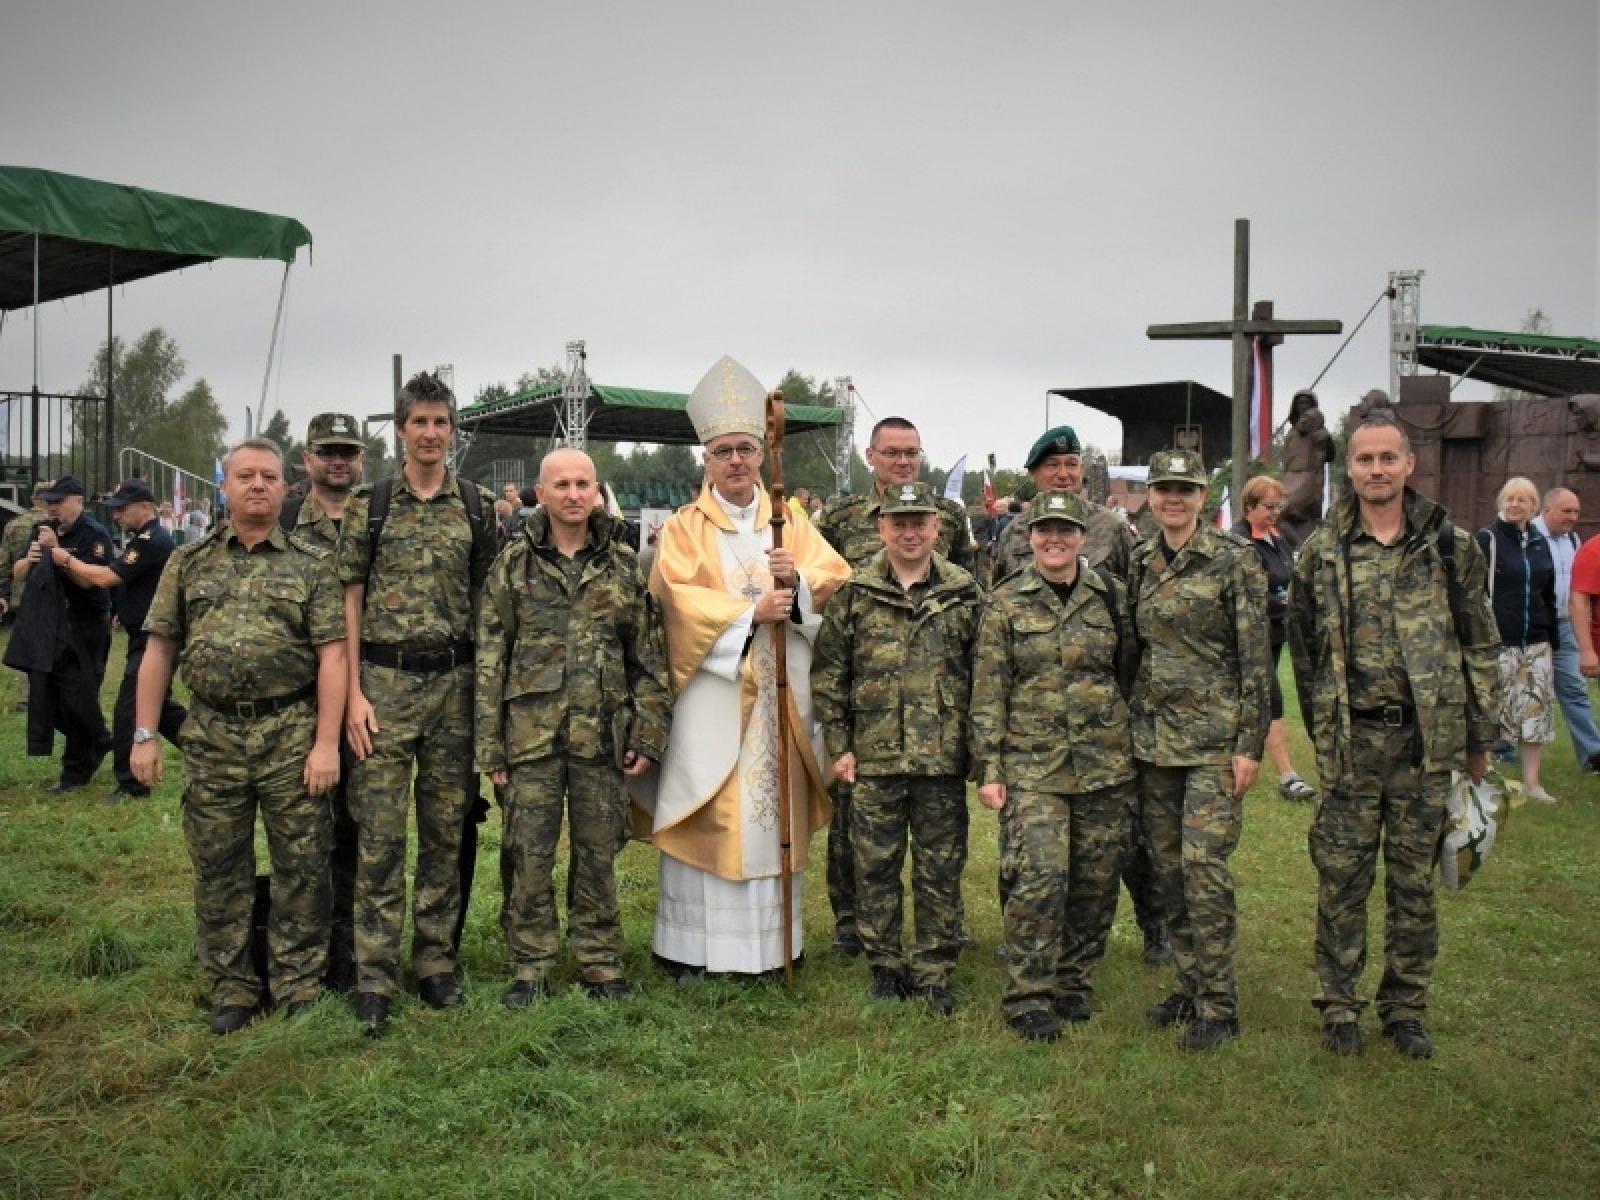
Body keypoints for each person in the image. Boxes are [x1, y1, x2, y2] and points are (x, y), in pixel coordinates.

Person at [1290, 415, 1500, 1059]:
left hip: (1424, 745)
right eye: (1363, 459)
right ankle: (1339, 1005)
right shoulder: (1323, 551)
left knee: (1414, 883)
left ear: (1410, 464)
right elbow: (1302, 648)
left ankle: (1405, 1006)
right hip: (1353, 745)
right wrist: (1324, 728)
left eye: (1387, 458)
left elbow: (1480, 641)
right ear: (1347, 469)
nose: (1376, 469)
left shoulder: (1448, 545)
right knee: (1342, 879)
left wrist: (1480, 737)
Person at [640, 355, 850, 977]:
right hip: (713, 697)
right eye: (723, 451)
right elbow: (672, 597)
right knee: (711, 814)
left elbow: (836, 578)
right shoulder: (683, 528)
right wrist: (748, 614)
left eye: (746, 449)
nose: (735, 461)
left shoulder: (791, 522)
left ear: (763, 455)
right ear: (705, 459)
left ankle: (771, 949)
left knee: (765, 822)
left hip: (779, 704)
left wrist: (801, 584)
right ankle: (690, 949)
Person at [132, 437, 346, 1034]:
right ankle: (232, 987)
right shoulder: (190, 560)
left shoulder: (311, 563)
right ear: (223, 487)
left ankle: (298, 981)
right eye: (245, 476)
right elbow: (159, 650)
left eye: (269, 477)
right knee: (219, 866)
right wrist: (145, 733)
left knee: (302, 865)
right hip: (214, 735)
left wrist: (326, 743)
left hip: (290, 733)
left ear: (285, 487)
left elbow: (333, 658)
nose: (258, 485)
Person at [476, 447, 672, 1005]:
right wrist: (491, 746)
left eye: (583, 483)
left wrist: (647, 734)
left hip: (601, 736)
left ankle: (601, 963)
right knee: (528, 854)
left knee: (598, 854)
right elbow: (491, 657)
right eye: (561, 484)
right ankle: (531, 964)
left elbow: (649, 660)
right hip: (529, 739)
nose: (573, 494)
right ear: (540, 492)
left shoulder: (623, 565)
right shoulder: (513, 564)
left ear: (595, 490)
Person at [340, 371, 499, 1035]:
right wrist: (351, 692)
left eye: (441, 422)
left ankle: (435, 963)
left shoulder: (477, 506)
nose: (430, 433)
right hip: (383, 689)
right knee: (378, 836)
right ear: (400, 430)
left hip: (455, 690)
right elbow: (348, 597)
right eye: (419, 423)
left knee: (445, 833)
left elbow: (489, 605)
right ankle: (374, 973)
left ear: (451, 431)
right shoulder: (369, 506)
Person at [994, 426, 1166, 966]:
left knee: (1122, 839)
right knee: (1026, 847)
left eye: (1071, 464)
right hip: (1036, 718)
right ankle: (1023, 933)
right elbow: (996, 609)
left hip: (1099, 718)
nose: (1063, 473)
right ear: (1034, 475)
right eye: (1052, 466)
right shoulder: (1013, 534)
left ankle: (1153, 928)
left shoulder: (1113, 528)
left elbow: (1133, 620)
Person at [972, 491, 1138, 1042]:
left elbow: (1130, 673)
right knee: (1039, 877)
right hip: (1032, 766)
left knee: (1095, 881)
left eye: (1065, 530)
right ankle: (1029, 995)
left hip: (1104, 766)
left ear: (1082, 536)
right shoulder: (1005, 602)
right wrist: (989, 767)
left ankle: (1074, 983)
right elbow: (989, 690)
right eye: (1045, 530)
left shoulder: (1112, 597)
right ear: (1031, 535)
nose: (1055, 539)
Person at [812, 482, 982, 1013]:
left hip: (941, 757)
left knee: (940, 866)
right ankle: (885, 963)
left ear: (938, 528)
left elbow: (987, 675)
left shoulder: (966, 592)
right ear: (881, 527)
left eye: (919, 523)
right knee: (876, 866)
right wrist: (840, 745)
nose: (909, 532)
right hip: (874, 756)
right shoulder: (855, 593)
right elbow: (830, 675)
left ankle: (934, 969)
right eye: (898, 523)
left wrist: (980, 750)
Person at [1130, 450, 1271, 1051]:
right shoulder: (1138, 560)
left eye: (1185, 490)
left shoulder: (1234, 559)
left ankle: (1219, 1004)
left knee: (1203, 869)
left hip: (1215, 743)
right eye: (1164, 489)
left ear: (1203, 495)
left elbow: (1256, 657)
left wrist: (1250, 744)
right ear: (1152, 495)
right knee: (1167, 872)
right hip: (1154, 743)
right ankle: (1189, 984)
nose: (1174, 500)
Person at [281, 412, 367, 991]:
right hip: (296, 701)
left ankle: (353, 953)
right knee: (305, 835)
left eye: (347, 452)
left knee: (362, 832)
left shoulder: (378, 515)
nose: (338, 461)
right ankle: (300, 956)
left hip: (366, 699)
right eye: (327, 452)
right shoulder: (283, 520)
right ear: (307, 459)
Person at [42, 479, 187, 803]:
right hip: (144, 635)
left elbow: (106, 577)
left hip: (154, 640)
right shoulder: (143, 539)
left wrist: (62, 557)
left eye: (122, 509)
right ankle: (213, 751)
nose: (117, 515)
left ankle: (133, 787)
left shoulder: (152, 539)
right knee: (160, 711)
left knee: (130, 712)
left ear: (145, 507)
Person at [14, 476, 115, 791]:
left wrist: (60, 554)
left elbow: (91, 582)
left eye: (59, 501)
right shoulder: (42, 530)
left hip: (86, 627)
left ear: (79, 501)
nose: (53, 508)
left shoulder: (95, 535)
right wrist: (29, 560)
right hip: (50, 626)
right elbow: (17, 574)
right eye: (50, 502)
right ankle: (98, 739)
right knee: (51, 701)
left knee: (80, 696)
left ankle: (75, 772)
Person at [1232, 475, 1316, 802]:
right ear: (1249, 506)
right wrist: (1276, 600)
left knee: (1258, 698)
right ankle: (1287, 775)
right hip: (1250, 634)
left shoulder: (1278, 538)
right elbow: (1238, 593)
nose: (1275, 512)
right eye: (1269, 506)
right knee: (1270, 698)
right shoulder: (1238, 542)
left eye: (1278, 505)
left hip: (1277, 630)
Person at [1476, 477, 1560, 804]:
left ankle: (1532, 783)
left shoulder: (1540, 543)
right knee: (1490, 711)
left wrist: (1552, 639)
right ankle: (1483, 778)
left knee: (1534, 712)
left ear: (1534, 506)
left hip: (1535, 643)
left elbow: (1548, 594)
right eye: (1510, 499)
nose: (1515, 505)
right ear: (1501, 502)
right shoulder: (1488, 539)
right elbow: (1472, 592)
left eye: (1522, 500)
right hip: (1497, 641)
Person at [1533, 488, 1600, 773]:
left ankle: (1593, 755)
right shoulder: (1527, 537)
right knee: (1523, 690)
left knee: (1574, 689)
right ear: (1546, 510)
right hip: (1534, 627)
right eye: (1566, 511)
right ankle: (1504, 752)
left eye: (1576, 511)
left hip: (1566, 624)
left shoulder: (1573, 540)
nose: (1573, 517)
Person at [0, 482, 50, 622]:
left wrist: (3, 594)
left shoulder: (13, 525)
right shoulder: (56, 524)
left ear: (33, 499)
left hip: (21, 595)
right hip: (50, 594)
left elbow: (4, 564)